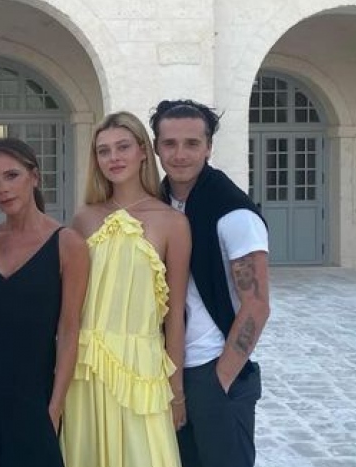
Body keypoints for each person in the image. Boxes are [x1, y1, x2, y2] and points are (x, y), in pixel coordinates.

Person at [61, 111, 190, 467]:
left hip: (142, 370)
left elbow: (175, 315)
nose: (113, 158)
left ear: (143, 151)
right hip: (85, 368)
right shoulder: (83, 218)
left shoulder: (173, 223)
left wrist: (176, 391)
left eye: (123, 147)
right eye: (103, 151)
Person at [151, 99, 271, 467]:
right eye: (170, 143)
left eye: (192, 143)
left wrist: (222, 379)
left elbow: (257, 305)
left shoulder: (233, 212)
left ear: (209, 147)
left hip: (213, 368)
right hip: (165, 367)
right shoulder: (157, 204)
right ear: (156, 147)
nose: (180, 154)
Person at [0, 137, 90, 467]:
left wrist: (55, 407)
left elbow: (69, 330)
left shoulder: (68, 244)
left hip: (34, 393)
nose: (2, 189)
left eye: (12, 175)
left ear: (34, 177)